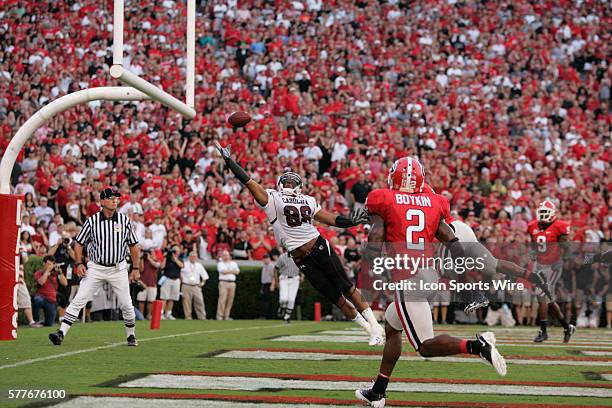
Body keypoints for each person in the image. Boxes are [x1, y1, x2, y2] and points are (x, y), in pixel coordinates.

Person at [356, 157, 508, 407]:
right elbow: (453, 242)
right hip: (428, 275)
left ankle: (477, 346)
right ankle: (378, 390)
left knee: (425, 346)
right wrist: (466, 281)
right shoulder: (433, 201)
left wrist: (367, 265)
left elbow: (375, 235)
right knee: (392, 327)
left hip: (408, 278)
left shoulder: (383, 199)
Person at [215, 142, 384, 345]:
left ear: (297, 186)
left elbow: (330, 219)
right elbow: (248, 182)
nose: (287, 185)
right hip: (301, 258)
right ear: (279, 184)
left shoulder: (304, 200)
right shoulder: (273, 198)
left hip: (319, 246)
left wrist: (350, 221)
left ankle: (375, 326)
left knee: (346, 286)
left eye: (290, 182)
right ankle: (369, 330)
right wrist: (229, 161)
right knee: (335, 297)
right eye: (284, 182)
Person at [48, 187, 140, 346]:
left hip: (118, 268)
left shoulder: (124, 220)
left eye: (116, 198)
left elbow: (133, 245)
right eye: (111, 198)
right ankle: (61, 332)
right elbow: (79, 243)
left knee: (126, 303)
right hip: (96, 267)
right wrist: (78, 263)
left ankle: (131, 335)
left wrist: (136, 268)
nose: (115, 201)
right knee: (80, 298)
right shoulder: (92, 221)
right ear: (102, 202)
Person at [527, 200, 575, 343]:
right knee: (548, 300)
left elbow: (567, 248)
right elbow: (533, 245)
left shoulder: (560, 226)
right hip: (540, 265)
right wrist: (532, 255)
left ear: (553, 213)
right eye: (541, 212)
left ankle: (543, 331)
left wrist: (562, 260)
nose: (543, 215)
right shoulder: (532, 226)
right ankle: (567, 327)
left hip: (554, 265)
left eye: (545, 212)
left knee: (541, 295)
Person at [34, 255, 68, 327]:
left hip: (52, 300)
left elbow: (65, 283)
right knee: (37, 300)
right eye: (49, 264)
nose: (50, 266)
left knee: (49, 324)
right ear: (44, 263)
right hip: (42, 297)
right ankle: (35, 321)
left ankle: (43, 322)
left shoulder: (55, 273)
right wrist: (47, 271)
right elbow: (41, 282)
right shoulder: (39, 273)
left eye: (51, 264)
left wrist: (60, 273)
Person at [274, 251, 302, 323]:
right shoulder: (282, 257)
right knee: (283, 298)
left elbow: (302, 267)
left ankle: (287, 317)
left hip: (295, 279)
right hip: (284, 278)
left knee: (291, 299)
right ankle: (282, 307)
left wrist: (302, 276)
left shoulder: (299, 256)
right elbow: (276, 268)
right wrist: (276, 281)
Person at [180, 250, 209, 320]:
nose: (193, 258)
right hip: (186, 285)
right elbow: (179, 273)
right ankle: (188, 317)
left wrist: (202, 283)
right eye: (192, 256)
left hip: (196, 286)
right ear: (189, 257)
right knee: (186, 302)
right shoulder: (184, 264)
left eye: (195, 257)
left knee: (200, 301)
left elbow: (205, 276)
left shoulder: (199, 265)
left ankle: (202, 317)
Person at [159, 245, 184, 320]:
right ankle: (161, 314)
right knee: (164, 298)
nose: (175, 252)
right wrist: (165, 257)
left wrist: (175, 258)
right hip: (167, 279)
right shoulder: (167, 259)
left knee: (172, 298)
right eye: (174, 251)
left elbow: (181, 266)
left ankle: (168, 314)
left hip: (176, 280)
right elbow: (162, 267)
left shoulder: (180, 259)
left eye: (176, 251)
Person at [137, 249, 161, 319]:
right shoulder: (142, 260)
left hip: (152, 283)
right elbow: (141, 269)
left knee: (151, 301)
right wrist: (141, 258)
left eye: (151, 253)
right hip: (143, 284)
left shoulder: (155, 260)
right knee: (141, 301)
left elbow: (156, 266)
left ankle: (149, 315)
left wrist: (149, 258)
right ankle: (141, 315)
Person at [217, 250, 239, 320]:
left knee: (230, 300)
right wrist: (232, 271)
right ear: (222, 256)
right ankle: (220, 315)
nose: (225, 257)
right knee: (222, 299)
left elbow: (237, 272)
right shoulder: (220, 264)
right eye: (224, 255)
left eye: (227, 255)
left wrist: (228, 271)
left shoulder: (234, 263)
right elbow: (223, 271)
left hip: (232, 283)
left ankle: (226, 315)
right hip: (223, 282)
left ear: (229, 256)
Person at [260, 254, 276, 319]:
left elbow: (274, 276)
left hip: (269, 284)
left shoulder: (271, 266)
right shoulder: (264, 266)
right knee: (264, 300)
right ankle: (265, 315)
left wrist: (272, 285)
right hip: (264, 285)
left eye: (266, 258)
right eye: (264, 258)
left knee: (268, 301)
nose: (265, 260)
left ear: (269, 259)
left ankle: (268, 316)